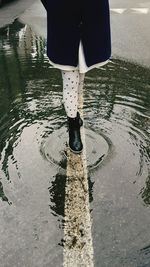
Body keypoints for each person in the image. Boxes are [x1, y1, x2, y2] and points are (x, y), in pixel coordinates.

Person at [40, 0, 111, 154]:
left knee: (81, 74)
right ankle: (73, 125)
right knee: (70, 81)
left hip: (90, 21)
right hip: (64, 22)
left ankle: (75, 113)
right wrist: (54, 7)